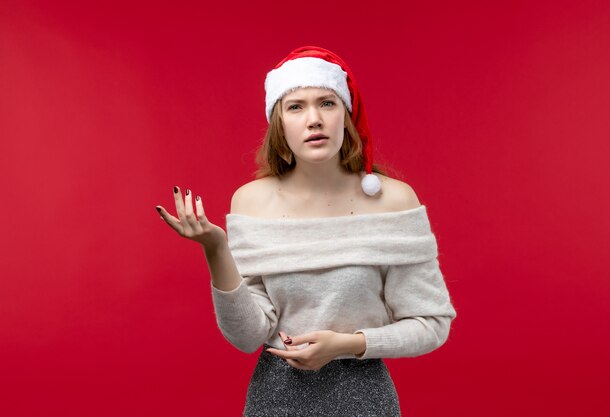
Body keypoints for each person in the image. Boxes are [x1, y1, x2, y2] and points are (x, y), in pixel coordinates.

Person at [155, 46, 457, 416]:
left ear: (345, 115)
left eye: (327, 103)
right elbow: (248, 336)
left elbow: (431, 325)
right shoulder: (251, 202)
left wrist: (348, 344)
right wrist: (216, 248)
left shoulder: (394, 200)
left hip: (366, 401)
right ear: (279, 122)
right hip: (275, 399)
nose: (313, 119)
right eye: (295, 106)